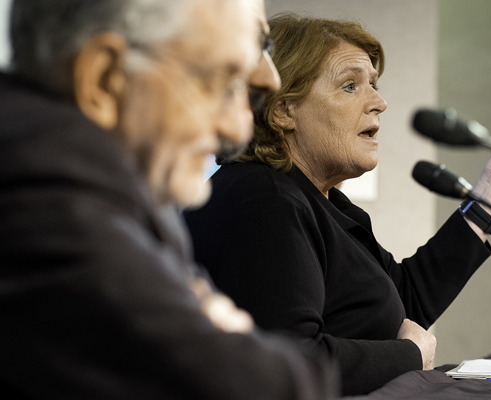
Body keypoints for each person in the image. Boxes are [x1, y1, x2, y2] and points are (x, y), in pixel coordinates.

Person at [183, 14, 491, 396]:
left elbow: (403, 302)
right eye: (350, 86)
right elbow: (288, 361)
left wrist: (490, 197)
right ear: (284, 109)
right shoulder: (264, 202)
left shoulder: (322, 203)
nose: (380, 103)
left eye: (374, 86)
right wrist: (409, 356)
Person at [0, 1, 339, 399]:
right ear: (105, 79)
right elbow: (273, 388)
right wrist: (230, 338)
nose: (236, 125)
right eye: (221, 82)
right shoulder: (50, 215)